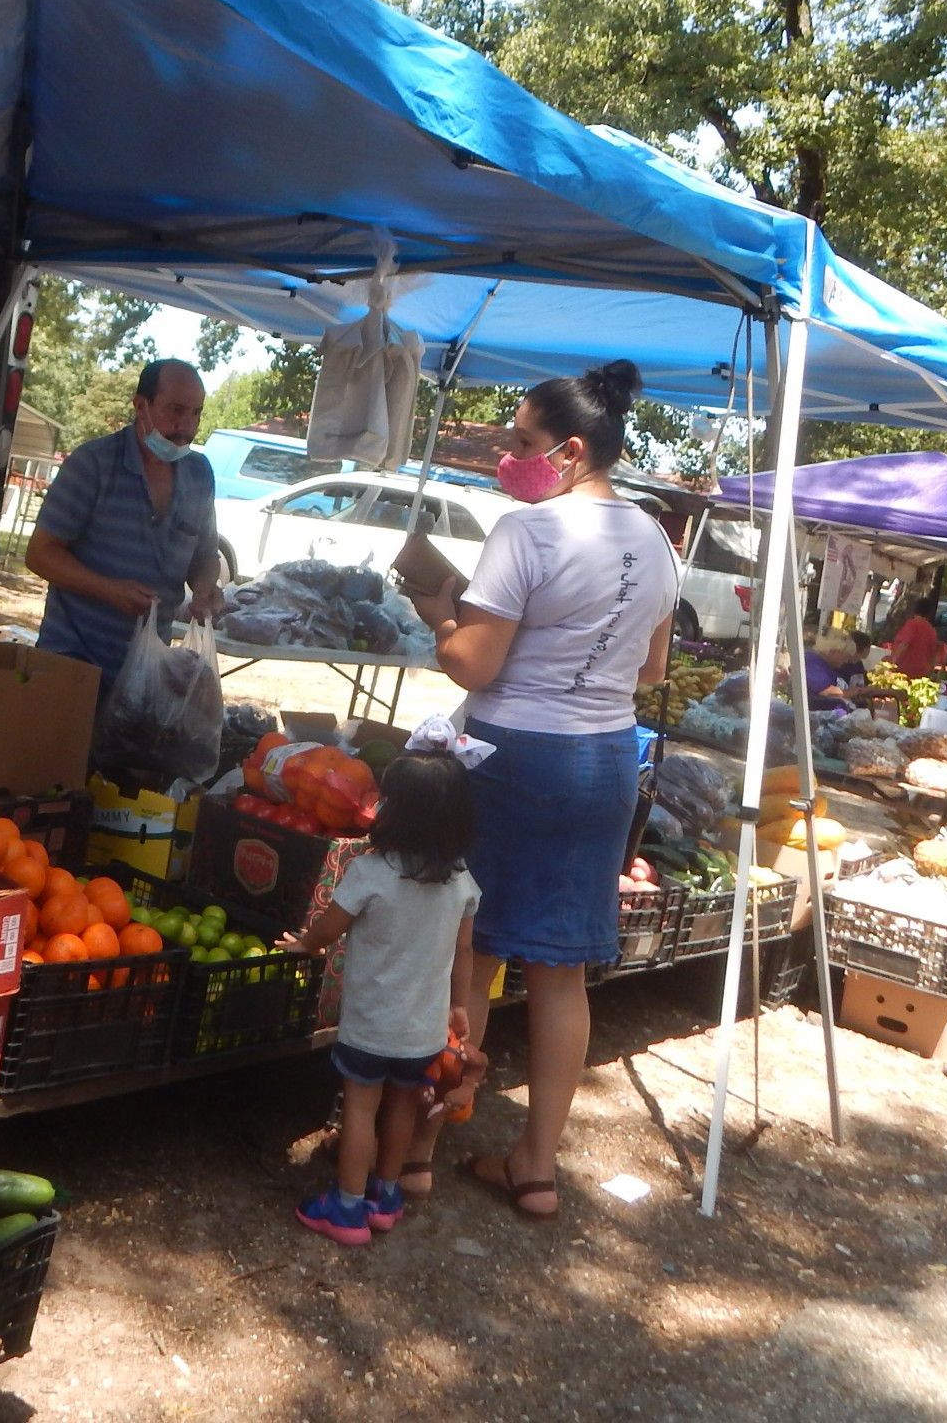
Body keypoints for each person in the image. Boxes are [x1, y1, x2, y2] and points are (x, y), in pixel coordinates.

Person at [399, 360, 676, 1218]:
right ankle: (536, 1166)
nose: (509, 457)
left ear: (572, 450)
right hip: (602, 762)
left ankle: (417, 1151)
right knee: (562, 975)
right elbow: (653, 669)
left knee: (472, 960)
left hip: (513, 755)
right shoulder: (657, 541)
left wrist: (438, 611)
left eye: (522, 442)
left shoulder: (528, 533)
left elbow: (471, 661)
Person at [279, 736, 483, 1245]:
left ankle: (346, 1208)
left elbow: (329, 929)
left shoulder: (370, 872)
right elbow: (464, 953)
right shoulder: (461, 882)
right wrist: (459, 1006)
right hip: (423, 1030)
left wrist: (305, 943)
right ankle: (384, 1196)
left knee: (360, 1109)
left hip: (371, 1025)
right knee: (402, 1107)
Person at [24, 359, 222, 686]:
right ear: (141, 405)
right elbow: (40, 553)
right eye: (175, 410)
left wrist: (205, 587)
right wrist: (108, 590)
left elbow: (205, 555)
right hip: (72, 662)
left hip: (147, 671)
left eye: (196, 413)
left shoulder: (200, 474)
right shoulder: (93, 464)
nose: (186, 426)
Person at [886, 597, 942, 679]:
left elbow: (904, 644)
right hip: (922, 671)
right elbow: (934, 653)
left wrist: (892, 662)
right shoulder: (932, 630)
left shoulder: (912, 624)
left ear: (914, 610)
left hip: (904, 669)